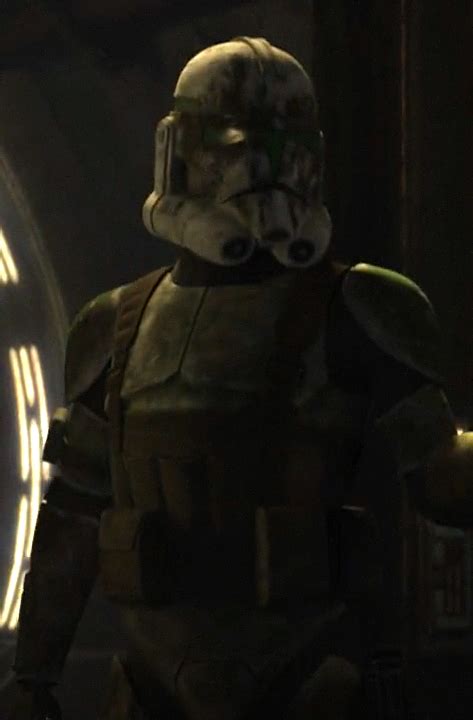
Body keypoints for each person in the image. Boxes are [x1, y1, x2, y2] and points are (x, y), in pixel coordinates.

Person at [9, 37, 473, 720]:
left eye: (281, 157)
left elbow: (440, 478)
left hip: (306, 675)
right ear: (181, 154)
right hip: (150, 686)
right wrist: (32, 677)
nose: (258, 180)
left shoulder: (357, 309)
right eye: (233, 156)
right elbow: (74, 517)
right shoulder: (114, 326)